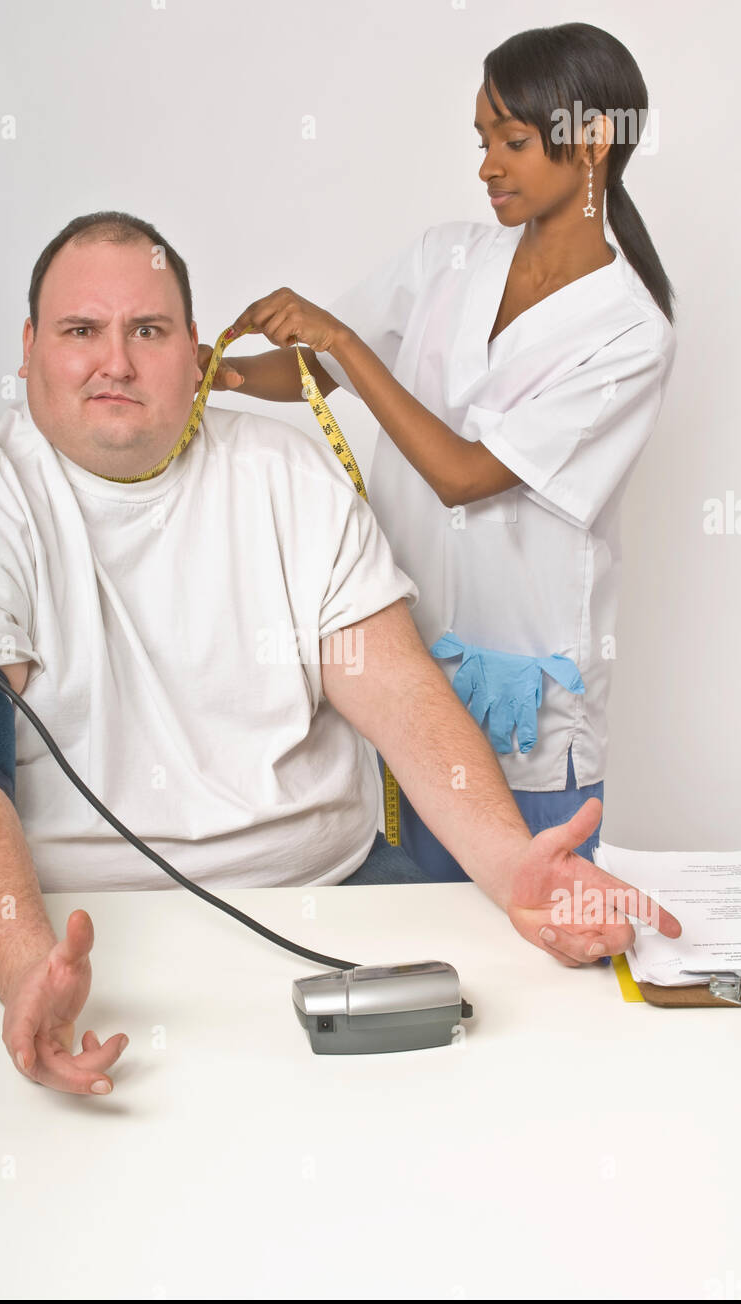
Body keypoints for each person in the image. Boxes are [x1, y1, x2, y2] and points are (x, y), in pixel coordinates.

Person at [0, 211, 680, 1098]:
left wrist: (508, 861)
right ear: (28, 348)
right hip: (48, 926)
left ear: (196, 350)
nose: (116, 361)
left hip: (313, 893)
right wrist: (24, 962)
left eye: (147, 331)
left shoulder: (290, 477)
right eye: (80, 332)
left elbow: (403, 698)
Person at [204, 22, 677, 882]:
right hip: (403, 680)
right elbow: (318, 366)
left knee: (528, 938)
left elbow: (461, 474)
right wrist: (212, 373)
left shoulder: (628, 335)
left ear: (593, 141)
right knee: (407, 935)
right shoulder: (445, 259)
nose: (487, 164)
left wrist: (345, 341)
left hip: (522, 710)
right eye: (482, 140)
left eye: (514, 140)